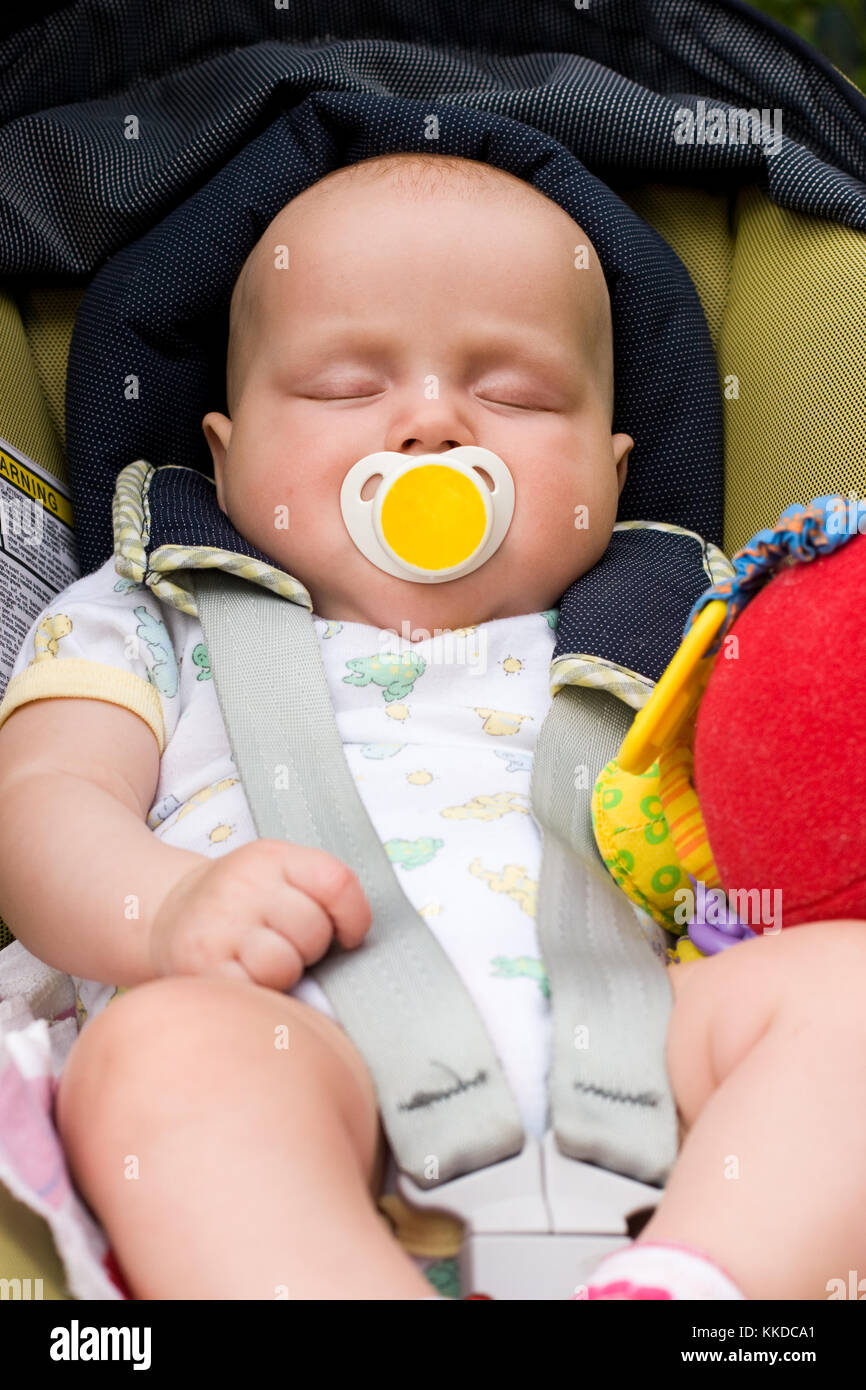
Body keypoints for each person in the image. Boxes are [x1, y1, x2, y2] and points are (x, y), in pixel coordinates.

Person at [0, 153, 863, 1301]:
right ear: (226, 451)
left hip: (653, 1040)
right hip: (280, 1039)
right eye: (346, 387)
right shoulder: (148, 610)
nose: (428, 423)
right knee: (160, 1063)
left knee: (846, 990)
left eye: (512, 395)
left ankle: (702, 1281)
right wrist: (162, 909)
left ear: (610, 478)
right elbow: (39, 802)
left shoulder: (680, 628)